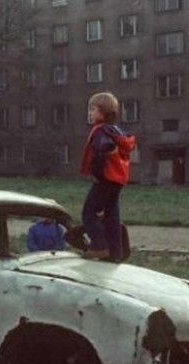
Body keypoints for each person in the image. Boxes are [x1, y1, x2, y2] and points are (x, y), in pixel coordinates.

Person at [79, 92, 136, 261]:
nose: (89, 113)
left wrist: (96, 174)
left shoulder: (100, 131)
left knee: (89, 212)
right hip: (117, 180)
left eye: (93, 109)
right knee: (111, 214)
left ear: (103, 112)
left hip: (105, 178)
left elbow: (100, 152)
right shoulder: (117, 131)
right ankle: (115, 252)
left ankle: (99, 245)